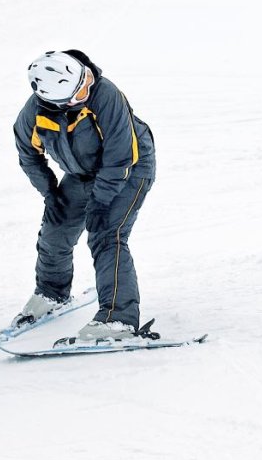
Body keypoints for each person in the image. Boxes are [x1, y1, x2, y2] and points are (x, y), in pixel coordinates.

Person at [11, 49, 156, 340]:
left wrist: (101, 202)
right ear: (57, 101)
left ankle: (118, 319)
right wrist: (50, 193)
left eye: (86, 79)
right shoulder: (34, 114)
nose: (89, 87)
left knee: (107, 234)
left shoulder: (106, 95)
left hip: (130, 167)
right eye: (80, 91)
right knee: (55, 230)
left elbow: (120, 156)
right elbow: (28, 155)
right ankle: (51, 294)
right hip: (81, 173)